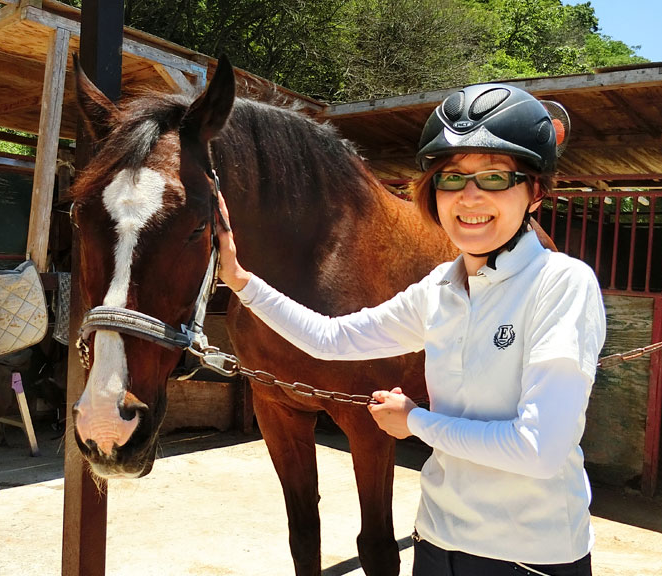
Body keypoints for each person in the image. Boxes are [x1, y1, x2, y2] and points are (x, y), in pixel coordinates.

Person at [217, 82, 606, 576]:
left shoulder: (562, 283)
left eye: (493, 177)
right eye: (451, 178)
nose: (469, 197)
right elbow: (332, 339)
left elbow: (539, 449)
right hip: (437, 541)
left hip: (527, 553)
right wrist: (242, 281)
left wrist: (414, 421)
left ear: (535, 193)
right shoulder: (440, 287)